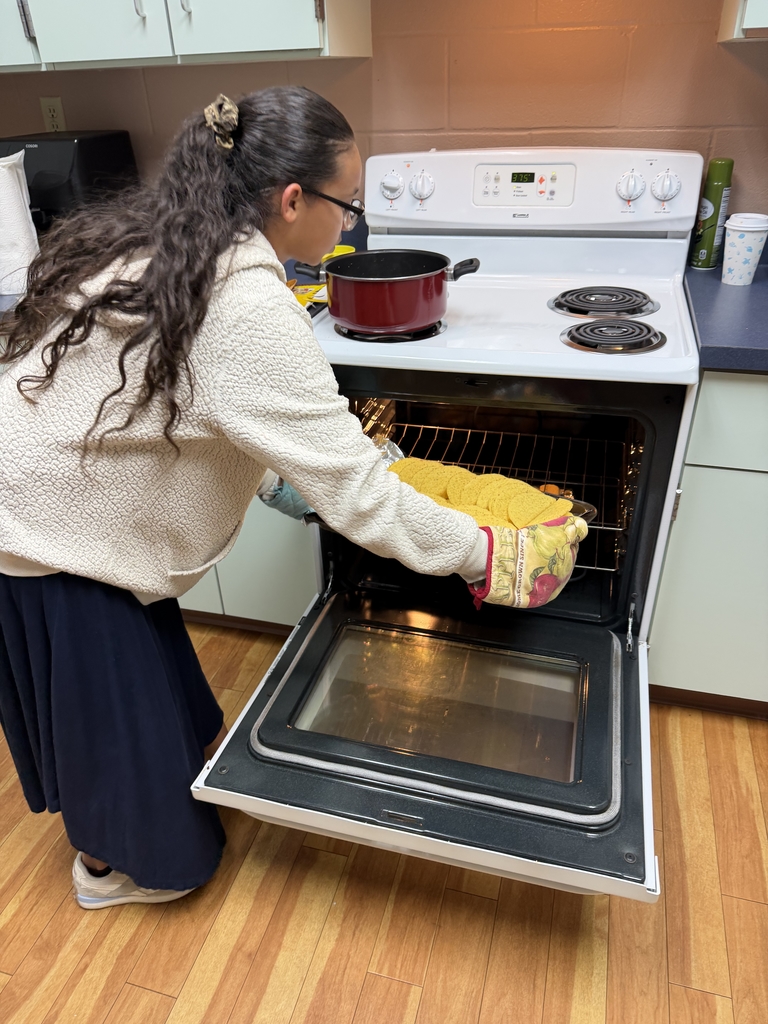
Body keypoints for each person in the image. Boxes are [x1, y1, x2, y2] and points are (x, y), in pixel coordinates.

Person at [0, 87, 584, 910]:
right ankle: (108, 868)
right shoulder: (245, 304)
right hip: (51, 533)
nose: (349, 226)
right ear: (292, 199)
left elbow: (192, 404)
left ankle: (163, 785)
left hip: (69, 504)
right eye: (348, 205)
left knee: (164, 700)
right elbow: (363, 500)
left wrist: (287, 475)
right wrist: (489, 554)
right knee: (151, 811)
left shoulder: (166, 237)